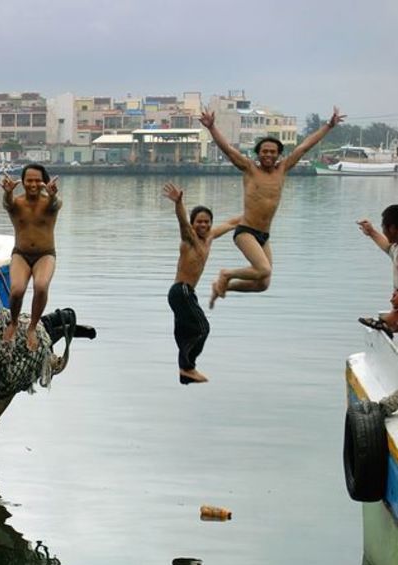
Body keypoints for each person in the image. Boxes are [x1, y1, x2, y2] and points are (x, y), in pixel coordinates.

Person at [200, 106, 344, 308]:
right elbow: (229, 150)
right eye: (264, 151)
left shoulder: (282, 169)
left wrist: (328, 126)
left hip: (263, 235)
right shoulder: (249, 169)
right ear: (258, 154)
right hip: (246, 232)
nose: (268, 155)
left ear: (278, 155)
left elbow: (304, 147)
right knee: (263, 270)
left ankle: (223, 286)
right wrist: (212, 127)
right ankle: (226, 274)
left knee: (263, 284)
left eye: (273, 152)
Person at [162, 183, 237, 384]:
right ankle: (188, 368)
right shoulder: (190, 239)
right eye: (199, 222)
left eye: (206, 222)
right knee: (202, 328)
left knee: (185, 333)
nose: (203, 226)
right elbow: (182, 222)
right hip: (181, 291)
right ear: (193, 224)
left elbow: (231, 223)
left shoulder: (209, 237)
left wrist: (254, 216)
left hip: (187, 293)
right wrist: (179, 203)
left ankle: (184, 372)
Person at [1, 164, 61, 350]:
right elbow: (7, 204)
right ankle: (13, 321)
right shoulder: (17, 203)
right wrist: (7, 193)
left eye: (37, 180)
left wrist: (52, 194)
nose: (33, 184)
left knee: (41, 286)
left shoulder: (50, 204)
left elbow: (56, 203)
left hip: (45, 254)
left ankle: (33, 327)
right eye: (29, 180)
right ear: (23, 182)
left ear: (44, 182)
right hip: (21, 254)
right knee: (17, 290)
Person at [357, 205, 398, 333]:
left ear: (392, 228)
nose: (383, 230)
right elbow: (388, 247)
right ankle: (390, 321)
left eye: (383, 227)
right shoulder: (396, 248)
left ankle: (389, 321)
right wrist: (371, 232)